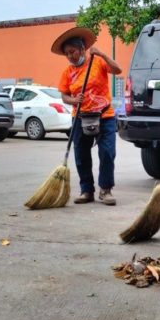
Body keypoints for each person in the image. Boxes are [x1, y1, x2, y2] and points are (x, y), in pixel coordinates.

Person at [53, 27, 122, 206]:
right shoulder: (67, 73)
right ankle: (86, 190)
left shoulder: (97, 62)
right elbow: (64, 96)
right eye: (66, 54)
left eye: (72, 52)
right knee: (81, 155)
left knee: (107, 152)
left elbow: (118, 70)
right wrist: (74, 99)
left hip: (104, 115)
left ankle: (105, 190)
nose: (70, 56)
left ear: (82, 49)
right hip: (80, 117)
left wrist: (102, 54)